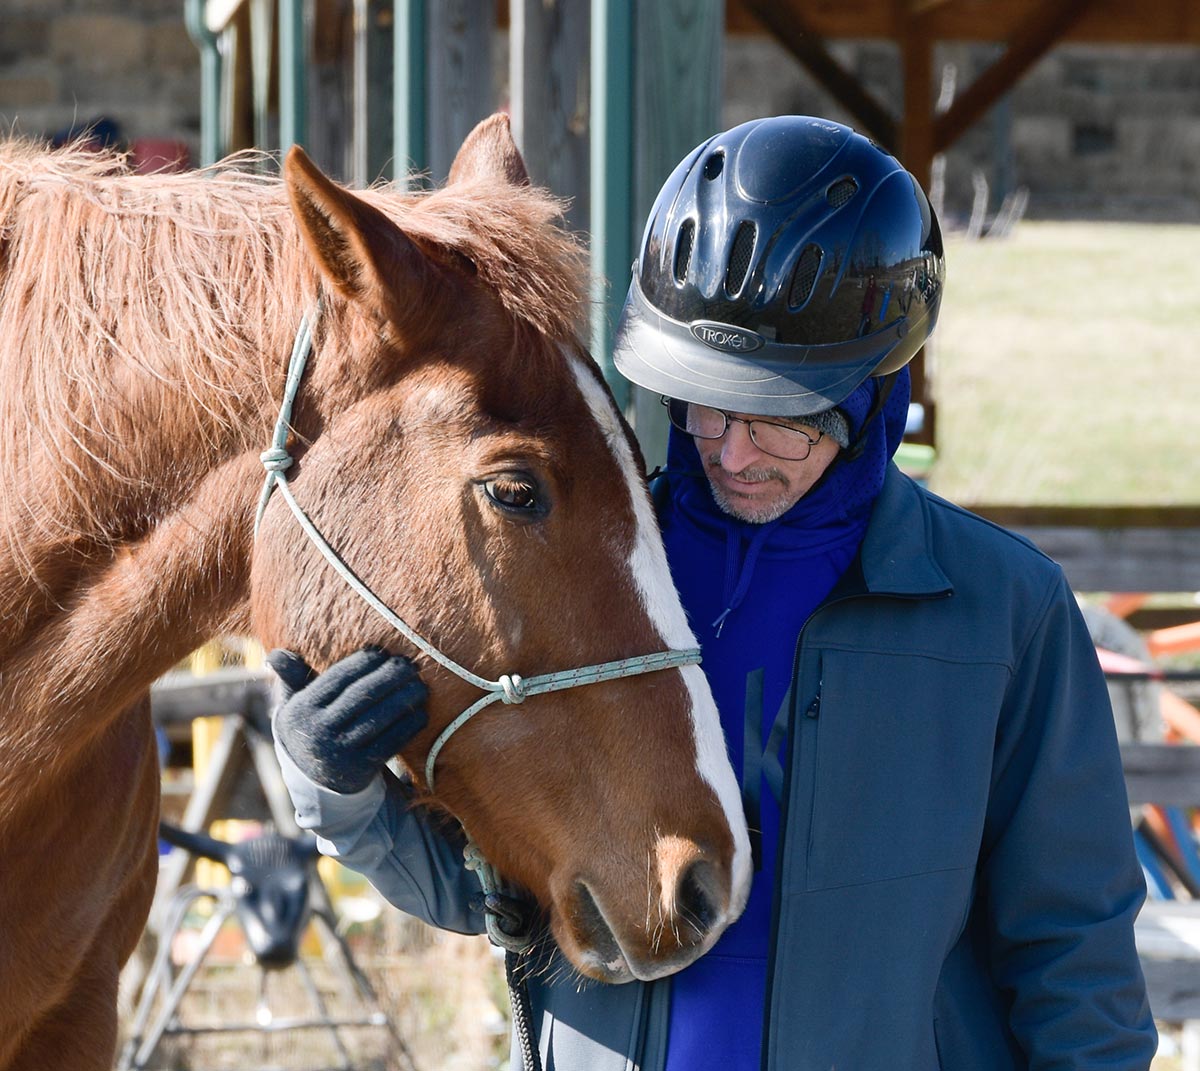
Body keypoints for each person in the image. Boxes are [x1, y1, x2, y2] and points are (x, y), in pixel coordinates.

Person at [269, 116, 1156, 1070]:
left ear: (869, 398)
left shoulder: (1002, 613)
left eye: (779, 419)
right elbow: (487, 888)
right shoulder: (600, 571)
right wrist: (340, 792)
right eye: (703, 401)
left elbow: (1076, 962)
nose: (730, 450)